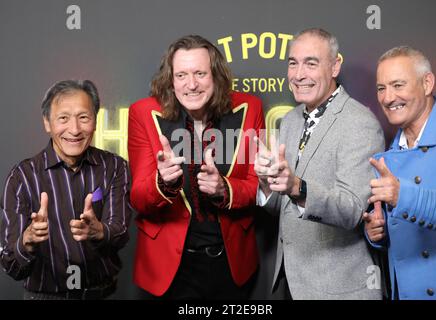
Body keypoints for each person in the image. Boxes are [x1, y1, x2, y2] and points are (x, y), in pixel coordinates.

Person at [128, 35, 264, 299]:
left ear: (216, 75)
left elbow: (257, 187)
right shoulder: (143, 113)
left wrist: (224, 188)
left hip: (231, 263)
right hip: (169, 268)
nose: (191, 85)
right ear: (170, 80)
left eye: (200, 73)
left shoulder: (250, 107)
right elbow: (139, 198)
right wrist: (163, 183)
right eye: (181, 75)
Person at [255, 28, 385, 299]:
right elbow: (285, 208)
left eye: (311, 63)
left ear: (335, 66)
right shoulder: (290, 120)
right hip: (291, 282)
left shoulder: (359, 123)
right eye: (293, 63)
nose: (299, 74)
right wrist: (267, 184)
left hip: (339, 289)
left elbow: (352, 211)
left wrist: (297, 187)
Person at [0, 80, 131, 300]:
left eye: (83, 117)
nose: (75, 129)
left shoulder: (115, 167)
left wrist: (99, 231)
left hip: (103, 294)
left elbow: (122, 233)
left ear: (95, 121)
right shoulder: (22, 177)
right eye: (63, 118)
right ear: (47, 123)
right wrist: (27, 241)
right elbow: (11, 265)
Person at [364, 46, 436, 300]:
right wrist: (377, 232)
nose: (388, 98)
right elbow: (403, 236)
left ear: (427, 83)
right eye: (381, 88)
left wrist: (403, 196)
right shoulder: (390, 154)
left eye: (398, 85)